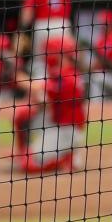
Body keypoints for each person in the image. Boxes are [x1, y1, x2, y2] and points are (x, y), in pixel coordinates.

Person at [13, 29, 87, 174]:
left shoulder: (67, 77)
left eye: (50, 51)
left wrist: (15, 65)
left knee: (28, 163)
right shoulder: (66, 72)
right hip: (58, 125)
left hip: (67, 132)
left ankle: (66, 158)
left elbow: (32, 85)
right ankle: (61, 152)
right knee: (23, 113)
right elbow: (43, 100)